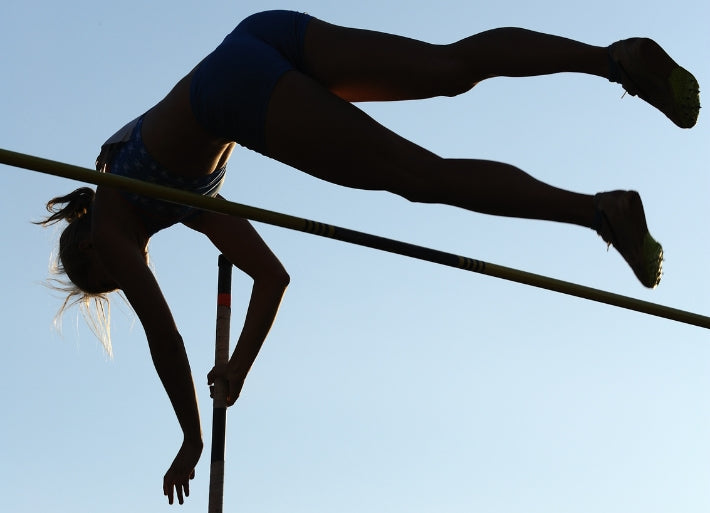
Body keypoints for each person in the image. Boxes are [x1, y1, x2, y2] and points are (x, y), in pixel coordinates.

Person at [37, 10, 699, 506]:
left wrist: (190, 435)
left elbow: (166, 336)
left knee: (423, 176)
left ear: (94, 248)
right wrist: (237, 368)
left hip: (237, 87)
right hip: (258, 38)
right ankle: (615, 60)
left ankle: (598, 210)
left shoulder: (121, 215)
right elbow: (271, 277)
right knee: (449, 68)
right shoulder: (172, 194)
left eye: (109, 280)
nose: (126, 278)